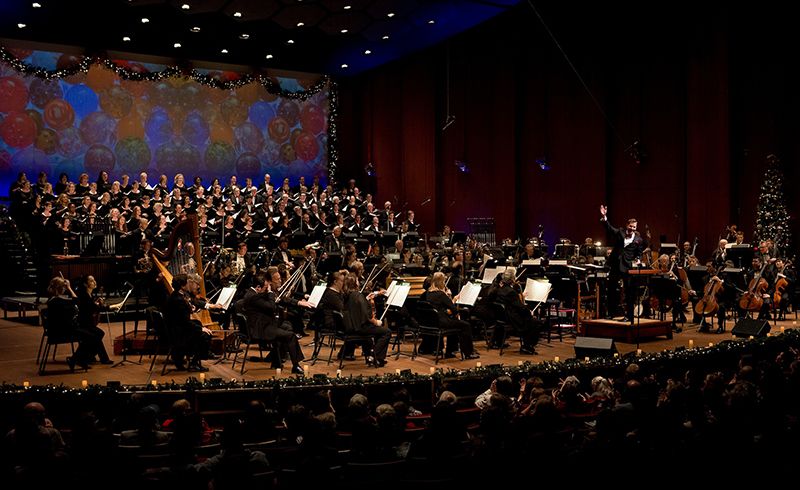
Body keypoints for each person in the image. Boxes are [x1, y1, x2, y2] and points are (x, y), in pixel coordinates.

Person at [239, 271, 305, 374]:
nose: (267, 289)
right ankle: (295, 365)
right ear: (258, 287)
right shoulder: (253, 297)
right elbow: (271, 306)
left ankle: (276, 362)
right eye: (265, 287)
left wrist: (297, 302)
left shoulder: (252, 293)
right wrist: (270, 293)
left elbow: (273, 301)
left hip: (262, 326)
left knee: (285, 328)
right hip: (261, 330)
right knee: (290, 335)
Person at [600, 204, 647, 322]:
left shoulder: (638, 240)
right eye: (631, 226)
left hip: (627, 267)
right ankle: (611, 313)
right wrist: (604, 217)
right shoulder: (620, 232)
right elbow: (610, 228)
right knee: (611, 290)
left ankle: (629, 316)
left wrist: (638, 259)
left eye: (635, 227)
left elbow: (639, 253)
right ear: (627, 225)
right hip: (615, 265)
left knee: (629, 292)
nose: (632, 228)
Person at [163, 274, 213, 372]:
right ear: (182, 286)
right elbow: (184, 322)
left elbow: (182, 317)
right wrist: (201, 328)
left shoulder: (175, 296)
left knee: (198, 323)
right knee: (205, 335)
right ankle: (194, 363)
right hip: (178, 335)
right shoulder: (178, 300)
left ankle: (180, 359)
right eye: (187, 282)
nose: (189, 284)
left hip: (175, 329)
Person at [342, 274, 391, 367]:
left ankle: (379, 359)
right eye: (357, 281)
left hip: (352, 326)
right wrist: (376, 322)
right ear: (354, 283)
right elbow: (366, 315)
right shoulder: (358, 295)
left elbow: (358, 307)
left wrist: (367, 299)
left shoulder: (347, 295)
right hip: (361, 327)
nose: (359, 282)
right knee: (386, 332)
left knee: (379, 331)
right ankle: (373, 356)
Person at [75, 275, 113, 365]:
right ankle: (95, 357)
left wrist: (96, 303)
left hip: (87, 323)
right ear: (85, 284)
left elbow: (91, 306)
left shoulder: (88, 294)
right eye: (91, 281)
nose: (94, 282)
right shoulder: (84, 295)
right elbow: (91, 308)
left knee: (98, 334)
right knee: (98, 334)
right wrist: (110, 307)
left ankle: (91, 356)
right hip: (83, 324)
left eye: (94, 280)